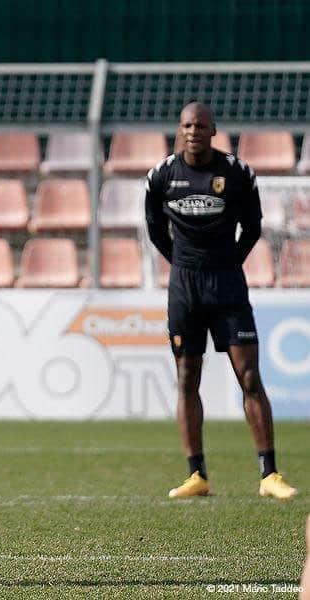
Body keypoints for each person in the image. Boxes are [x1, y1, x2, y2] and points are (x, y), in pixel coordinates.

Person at [145, 102, 296, 500]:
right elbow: (155, 230)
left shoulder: (237, 173)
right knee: (186, 378)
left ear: (214, 131)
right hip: (185, 289)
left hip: (228, 286)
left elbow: (253, 226)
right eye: (187, 125)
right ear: (180, 129)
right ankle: (197, 475)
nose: (193, 131)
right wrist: (183, 263)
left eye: (201, 125)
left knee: (249, 377)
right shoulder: (161, 176)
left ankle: (269, 475)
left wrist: (229, 261)